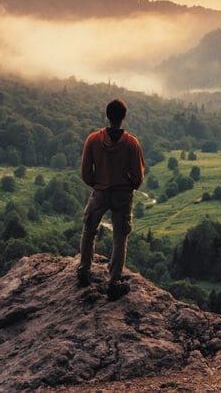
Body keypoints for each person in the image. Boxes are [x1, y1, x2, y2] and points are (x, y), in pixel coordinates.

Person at [77, 98, 145, 299]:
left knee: (89, 230)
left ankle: (83, 271)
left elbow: (85, 172)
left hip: (100, 192)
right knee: (120, 237)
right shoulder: (131, 143)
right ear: (124, 117)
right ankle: (114, 281)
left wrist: (98, 185)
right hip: (122, 195)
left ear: (107, 116)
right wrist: (128, 186)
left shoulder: (93, 140)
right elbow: (138, 177)